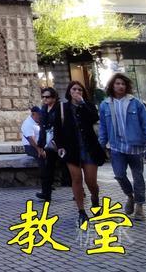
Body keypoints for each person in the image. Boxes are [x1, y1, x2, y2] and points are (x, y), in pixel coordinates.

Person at [98, 73, 146, 220]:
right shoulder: (105, 105)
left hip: (136, 147)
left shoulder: (136, 103)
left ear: (127, 86)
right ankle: (130, 196)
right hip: (116, 147)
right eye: (117, 83)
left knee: (138, 177)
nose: (120, 86)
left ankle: (139, 207)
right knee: (119, 175)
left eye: (123, 84)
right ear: (112, 86)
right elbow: (103, 127)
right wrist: (101, 145)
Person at [54, 80, 106, 226]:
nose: (77, 92)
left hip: (89, 148)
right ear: (69, 92)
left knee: (91, 182)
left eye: (80, 90)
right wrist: (60, 146)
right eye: (74, 89)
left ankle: (95, 199)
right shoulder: (62, 108)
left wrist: (82, 103)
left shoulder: (88, 105)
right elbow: (57, 129)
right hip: (71, 149)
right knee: (76, 179)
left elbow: (94, 118)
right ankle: (81, 211)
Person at [35, 87, 62, 202]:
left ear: (54, 97)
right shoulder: (44, 109)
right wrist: (40, 145)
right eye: (43, 97)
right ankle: (46, 193)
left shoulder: (60, 108)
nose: (45, 99)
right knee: (47, 169)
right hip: (49, 143)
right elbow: (42, 128)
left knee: (68, 168)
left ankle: (79, 191)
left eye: (47, 97)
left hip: (60, 142)